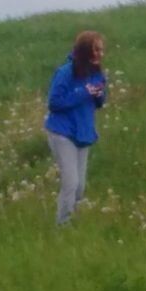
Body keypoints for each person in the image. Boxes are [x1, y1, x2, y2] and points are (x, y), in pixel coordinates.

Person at [44, 31, 107, 224]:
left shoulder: (97, 74)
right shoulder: (66, 72)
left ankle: (74, 221)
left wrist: (97, 94)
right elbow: (54, 103)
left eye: (101, 49)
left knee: (80, 186)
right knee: (71, 182)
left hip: (83, 133)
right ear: (86, 50)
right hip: (62, 132)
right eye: (96, 49)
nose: (100, 53)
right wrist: (83, 92)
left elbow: (99, 102)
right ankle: (62, 225)